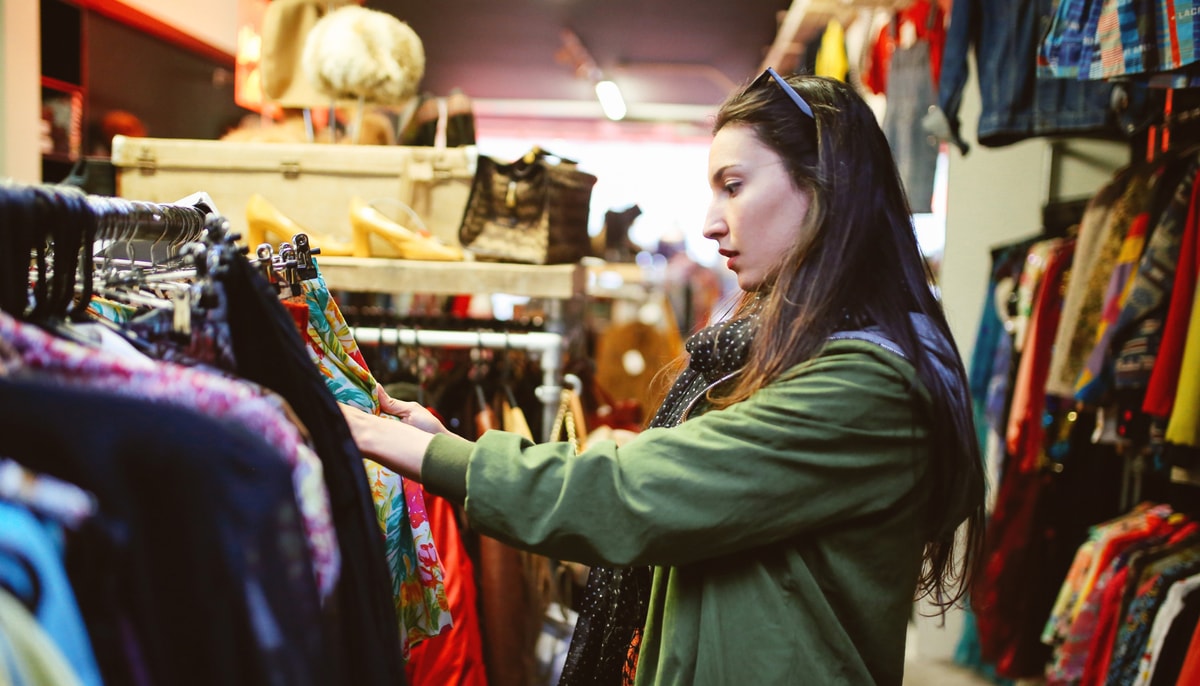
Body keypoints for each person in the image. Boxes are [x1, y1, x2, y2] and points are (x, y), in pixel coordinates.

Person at [340, 70, 986, 685]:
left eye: (734, 185)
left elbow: (629, 494)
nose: (710, 222)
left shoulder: (862, 388)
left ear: (823, 187)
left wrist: (424, 452)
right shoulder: (800, 357)